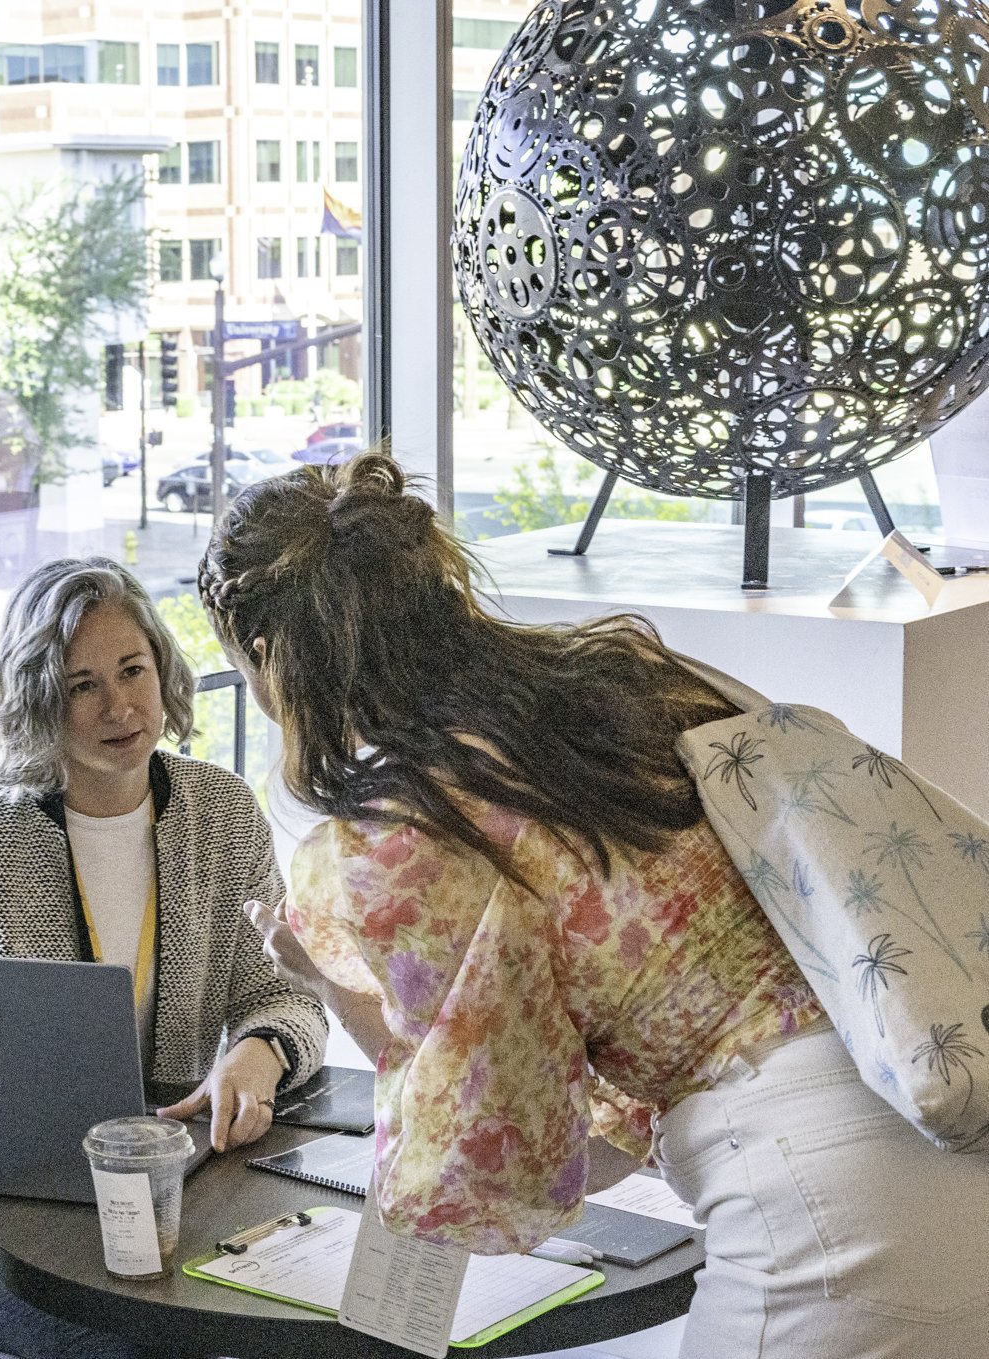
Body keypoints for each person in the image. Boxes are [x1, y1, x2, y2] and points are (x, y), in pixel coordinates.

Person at [199, 452, 989, 1358]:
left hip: (821, 1199)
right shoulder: (621, 675)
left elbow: (490, 1147)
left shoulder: (401, 836)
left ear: (268, 657)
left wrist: (324, 978)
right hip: (936, 1080)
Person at [0, 556, 329, 1359]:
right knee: (143, 1342)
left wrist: (259, 1053)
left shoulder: (221, 812)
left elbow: (287, 997)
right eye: (81, 685)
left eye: (132, 669)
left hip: (154, 1193)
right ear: (36, 698)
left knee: (328, 1299)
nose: (119, 705)